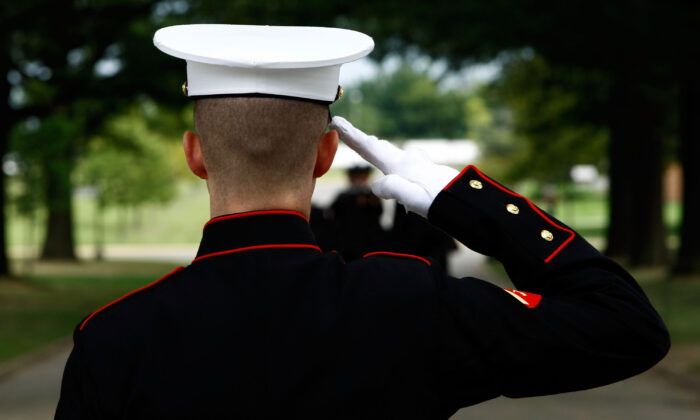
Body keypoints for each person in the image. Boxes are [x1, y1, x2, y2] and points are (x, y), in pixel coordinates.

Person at [56, 24, 669, 419]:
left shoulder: (115, 337)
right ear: (327, 156)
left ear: (195, 154)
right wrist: (462, 197)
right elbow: (625, 326)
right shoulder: (407, 303)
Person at [329, 165, 386, 260]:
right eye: (355, 177)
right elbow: (334, 214)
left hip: (369, 242)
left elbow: (378, 214)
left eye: (362, 177)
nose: (358, 180)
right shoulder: (343, 197)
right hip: (347, 241)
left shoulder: (372, 196)